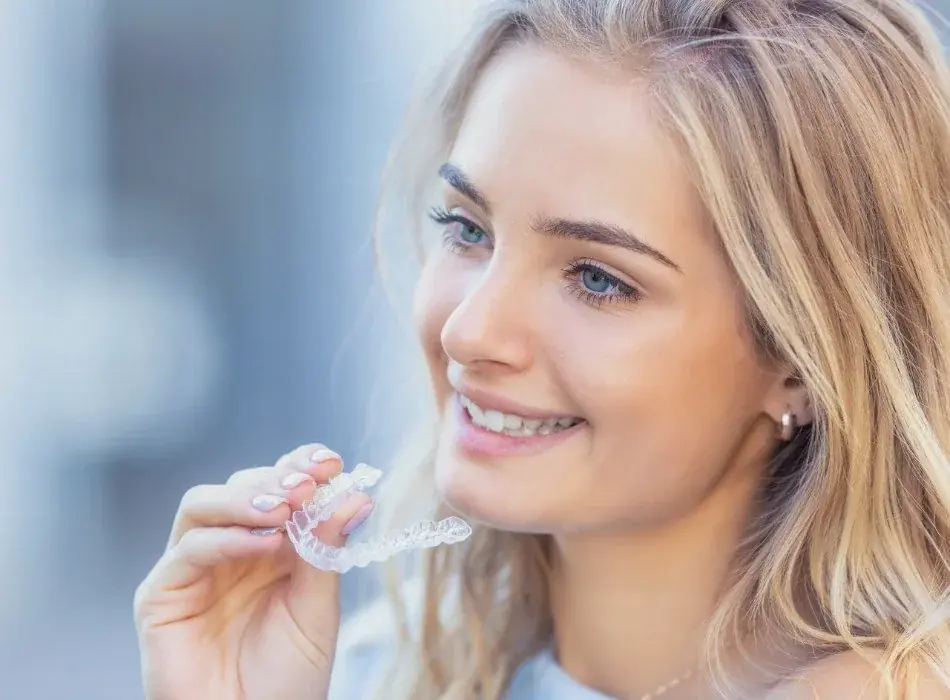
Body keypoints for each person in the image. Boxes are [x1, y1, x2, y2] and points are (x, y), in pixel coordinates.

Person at [133, 0, 950, 698]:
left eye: (597, 280)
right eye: (467, 229)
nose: (468, 332)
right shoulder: (367, 668)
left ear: (803, 362)